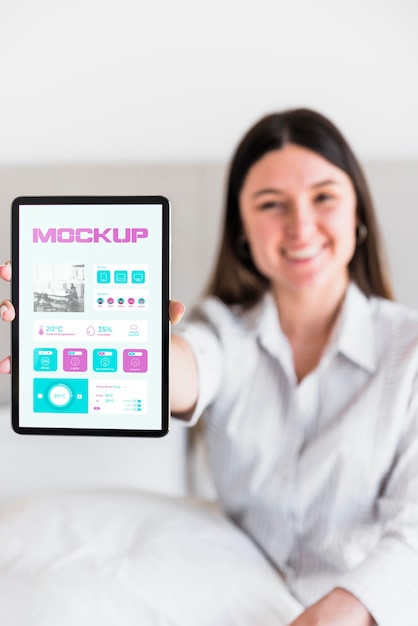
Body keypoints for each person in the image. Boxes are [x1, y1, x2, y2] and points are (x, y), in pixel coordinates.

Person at [1, 108, 418, 625]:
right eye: (271, 204)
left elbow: (413, 531)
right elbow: (190, 366)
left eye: (324, 196)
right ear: (242, 228)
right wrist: (121, 342)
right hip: (240, 591)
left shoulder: (410, 351)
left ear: (358, 211)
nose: (300, 225)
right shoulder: (225, 331)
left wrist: (345, 608)